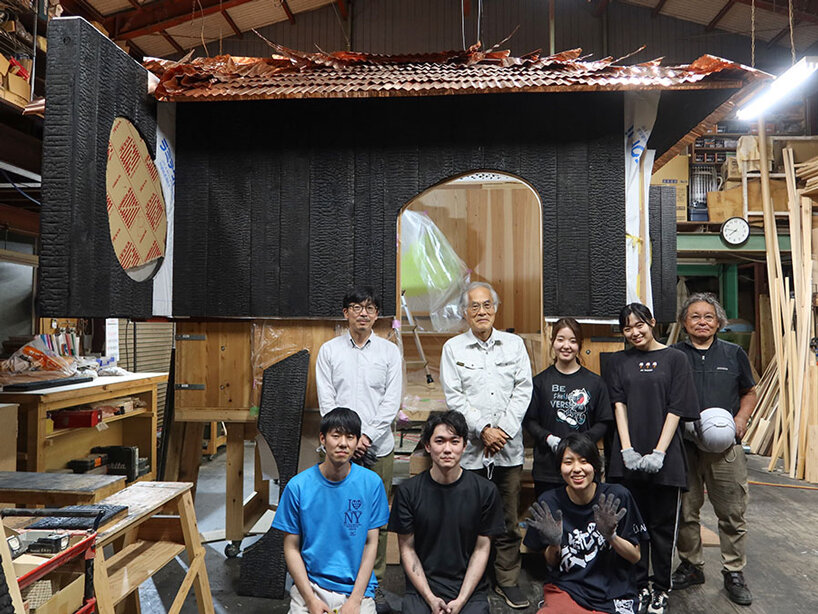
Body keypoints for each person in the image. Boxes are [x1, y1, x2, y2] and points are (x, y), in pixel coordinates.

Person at [439, 281, 533, 609]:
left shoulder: (514, 345)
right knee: (468, 519)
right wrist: (483, 429)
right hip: (471, 453)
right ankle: (472, 583)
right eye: (474, 307)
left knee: (507, 519)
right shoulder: (453, 349)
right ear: (465, 313)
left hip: (507, 450)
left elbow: (523, 389)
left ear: (496, 309)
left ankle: (507, 579)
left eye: (487, 306)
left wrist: (501, 430)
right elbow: (454, 397)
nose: (481, 312)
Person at [607, 303, 700, 614]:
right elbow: (618, 405)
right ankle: (638, 585)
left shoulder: (676, 358)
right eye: (627, 328)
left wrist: (659, 451)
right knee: (632, 526)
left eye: (640, 325)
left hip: (666, 459)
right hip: (628, 459)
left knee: (661, 527)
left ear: (652, 322)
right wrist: (627, 449)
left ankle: (660, 587)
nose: (635, 332)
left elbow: (676, 407)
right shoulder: (619, 361)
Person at [316, 286, 402, 613]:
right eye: (356, 307)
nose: (363, 313)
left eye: (369, 308)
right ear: (345, 313)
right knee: (337, 515)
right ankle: (337, 579)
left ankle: (373, 584)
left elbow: (391, 401)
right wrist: (346, 440)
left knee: (375, 520)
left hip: (378, 447)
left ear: (377, 314)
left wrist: (365, 437)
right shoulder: (329, 351)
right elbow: (328, 402)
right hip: (339, 449)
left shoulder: (389, 353)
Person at [671, 293, 756, 606]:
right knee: (685, 510)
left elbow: (749, 391)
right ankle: (692, 565)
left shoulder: (734, 354)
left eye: (708, 316)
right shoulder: (674, 355)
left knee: (732, 513)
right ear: (684, 323)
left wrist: (741, 420)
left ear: (719, 322)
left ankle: (733, 571)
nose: (702, 322)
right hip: (684, 446)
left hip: (725, 450)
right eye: (694, 316)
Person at [272, 407, 390, 614]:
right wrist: (310, 599)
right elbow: (290, 547)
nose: (343, 443)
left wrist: (355, 600)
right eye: (336, 436)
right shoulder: (298, 486)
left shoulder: (371, 484)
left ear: (357, 442)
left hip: (356, 589)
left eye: (350, 437)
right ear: (323, 439)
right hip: (312, 586)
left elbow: (371, 543)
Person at [389, 410, 505, 614]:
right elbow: (407, 550)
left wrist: (461, 600)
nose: (447, 449)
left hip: (469, 588)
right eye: (440, 441)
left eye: (454, 441)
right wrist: (430, 598)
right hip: (422, 588)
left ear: (464, 446)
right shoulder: (408, 492)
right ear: (427, 446)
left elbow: (481, 550)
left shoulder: (485, 491)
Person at [525, 432, 649, 614]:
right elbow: (551, 563)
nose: (576, 469)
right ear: (560, 468)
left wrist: (611, 536)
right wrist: (554, 543)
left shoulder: (617, 497)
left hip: (614, 592)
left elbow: (635, 556)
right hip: (568, 588)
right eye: (568, 462)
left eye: (584, 461)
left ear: (596, 466)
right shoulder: (549, 502)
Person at [524, 318, 613, 498]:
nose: (566, 346)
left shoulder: (595, 382)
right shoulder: (540, 382)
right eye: (561, 339)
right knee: (549, 522)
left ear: (579, 345)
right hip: (547, 469)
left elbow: (604, 422)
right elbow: (530, 421)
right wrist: (549, 439)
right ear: (553, 342)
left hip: (584, 467)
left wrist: (581, 441)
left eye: (572, 341)